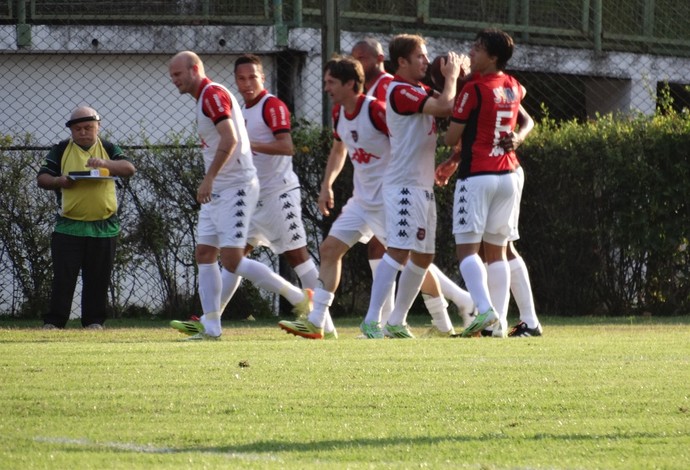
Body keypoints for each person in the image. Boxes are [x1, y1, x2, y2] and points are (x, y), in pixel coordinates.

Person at [277, 56, 466, 340]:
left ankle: (442, 321)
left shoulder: (377, 111)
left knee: (413, 260)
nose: (325, 88)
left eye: (331, 82)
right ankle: (317, 321)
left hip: (390, 199)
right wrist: (327, 184)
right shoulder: (339, 114)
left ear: (350, 84)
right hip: (361, 202)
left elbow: (405, 143)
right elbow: (340, 149)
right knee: (330, 250)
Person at [167, 51, 312, 340]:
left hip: (240, 188)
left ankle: (299, 298)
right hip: (222, 189)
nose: (174, 81)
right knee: (205, 254)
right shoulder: (209, 99)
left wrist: (208, 178)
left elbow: (231, 138)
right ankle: (211, 326)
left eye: (178, 74)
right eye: (172, 75)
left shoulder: (212, 95)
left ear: (195, 70)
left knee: (236, 260)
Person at [357, 34, 462, 339]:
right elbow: (445, 106)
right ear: (401, 62)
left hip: (421, 185)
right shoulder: (399, 90)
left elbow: (452, 105)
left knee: (424, 256)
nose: (425, 61)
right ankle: (371, 321)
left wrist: (458, 72)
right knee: (399, 249)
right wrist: (452, 76)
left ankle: (396, 322)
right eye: (419, 56)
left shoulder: (417, 88)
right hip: (403, 186)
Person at [230, 53, 337, 338]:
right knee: (233, 258)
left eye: (253, 77)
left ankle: (327, 327)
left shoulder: (271, 105)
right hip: (254, 198)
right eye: (241, 78)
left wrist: (247, 144)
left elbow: (287, 146)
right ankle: (209, 320)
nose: (247, 83)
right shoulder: (243, 109)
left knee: (299, 258)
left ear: (262, 78)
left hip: (279, 195)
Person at [435, 29, 533, 337]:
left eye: (477, 49)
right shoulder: (514, 86)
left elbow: (451, 137)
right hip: (509, 174)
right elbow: (525, 118)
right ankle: (499, 325)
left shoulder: (473, 89)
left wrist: (453, 87)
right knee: (498, 252)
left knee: (466, 251)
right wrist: (518, 137)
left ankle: (486, 313)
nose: (471, 52)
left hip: (478, 175)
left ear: (492, 57)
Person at [37, 106, 136, 329]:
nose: (83, 132)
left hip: (105, 226)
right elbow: (42, 178)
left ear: (98, 127)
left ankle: (94, 321)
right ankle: (54, 322)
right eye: (78, 128)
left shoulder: (108, 148)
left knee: (98, 277)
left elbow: (129, 168)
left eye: (89, 127)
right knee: (64, 277)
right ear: (71, 131)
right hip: (68, 226)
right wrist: (58, 181)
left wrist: (106, 164)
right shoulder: (61, 150)